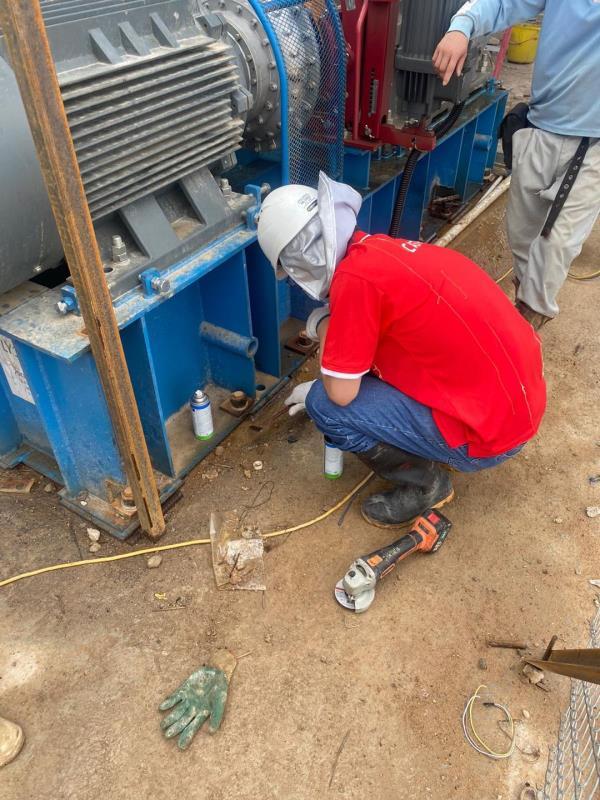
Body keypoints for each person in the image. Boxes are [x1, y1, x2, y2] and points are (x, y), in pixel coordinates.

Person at [256, 172, 546, 527]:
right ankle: (432, 443)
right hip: (519, 404)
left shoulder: (354, 282)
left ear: (300, 260)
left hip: (490, 435)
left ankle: (427, 486)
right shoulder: (379, 249)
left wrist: (324, 328)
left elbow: (341, 393)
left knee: (324, 405)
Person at [433, 0, 600, 329]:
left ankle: (526, 326)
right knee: (523, 235)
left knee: (559, 243)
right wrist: (460, 27)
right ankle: (525, 303)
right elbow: (501, 3)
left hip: (592, 141)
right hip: (541, 125)